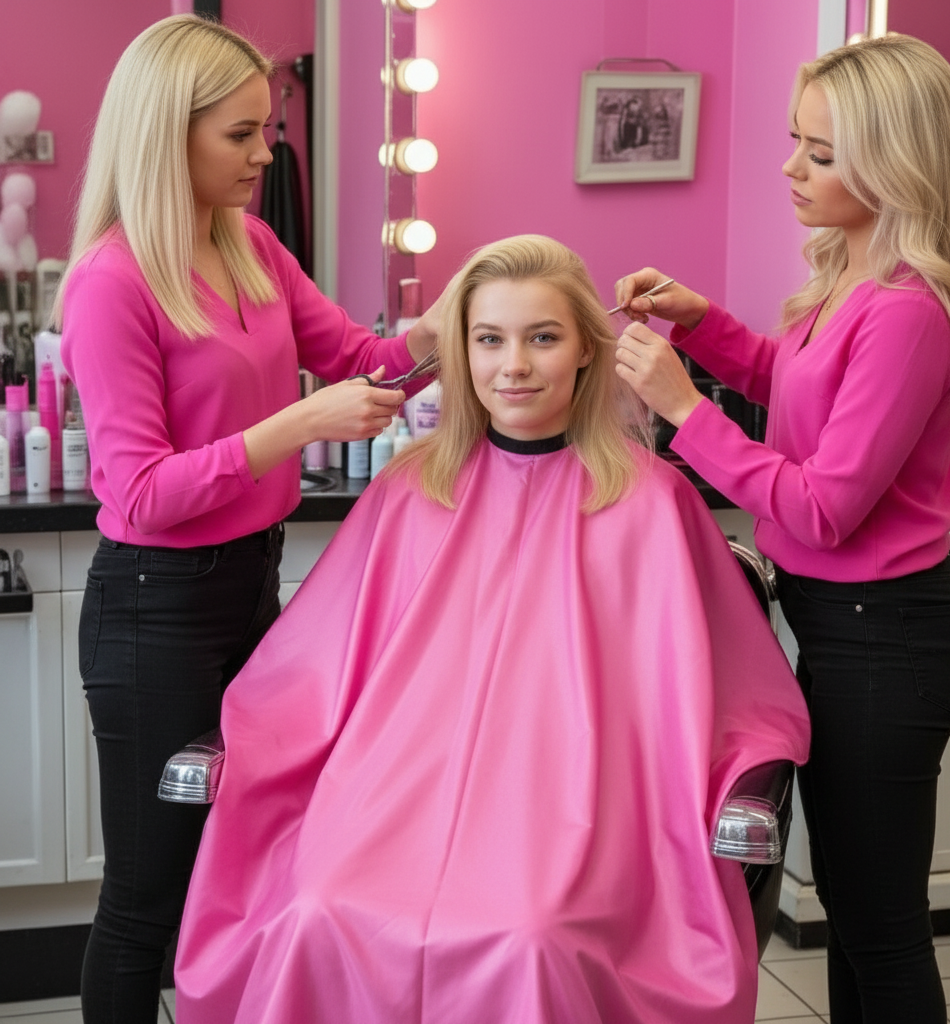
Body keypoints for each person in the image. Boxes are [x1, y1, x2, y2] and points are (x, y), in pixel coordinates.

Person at [172, 235, 810, 1023]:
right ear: (461, 352)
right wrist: (254, 742)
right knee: (319, 907)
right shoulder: (410, 491)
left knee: (532, 937)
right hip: (394, 791)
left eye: (542, 338)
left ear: (586, 349)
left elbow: (726, 694)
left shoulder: (650, 503)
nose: (514, 366)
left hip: (581, 803)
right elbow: (317, 664)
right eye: (489, 339)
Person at [52, 14, 440, 1023]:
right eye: (240, 133)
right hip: (156, 614)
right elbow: (140, 492)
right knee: (147, 901)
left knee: (239, 873)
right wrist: (297, 425)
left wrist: (463, 319)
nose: (266, 153)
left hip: (249, 591)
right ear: (166, 133)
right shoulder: (110, 281)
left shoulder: (252, 245)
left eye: (265, 129)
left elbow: (365, 358)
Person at [613, 34, 950, 1024]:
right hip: (844, 632)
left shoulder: (906, 311)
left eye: (820, 154)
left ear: (894, 165)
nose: (791, 167)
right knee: (854, 913)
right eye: (796, 141)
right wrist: (700, 324)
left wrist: (681, 411)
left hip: (889, 639)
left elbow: (824, 507)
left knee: (879, 928)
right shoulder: (849, 283)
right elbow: (789, 389)